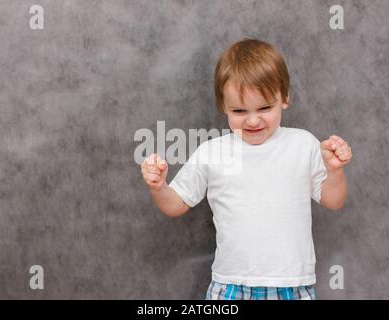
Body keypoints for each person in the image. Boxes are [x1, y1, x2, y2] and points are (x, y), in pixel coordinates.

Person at [140, 38, 353, 300]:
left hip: (292, 285)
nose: (253, 120)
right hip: (230, 285)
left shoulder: (303, 144)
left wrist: (335, 171)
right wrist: (159, 187)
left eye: (265, 107)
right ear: (224, 106)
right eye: (239, 111)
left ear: (284, 98)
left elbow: (333, 200)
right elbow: (176, 204)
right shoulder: (212, 152)